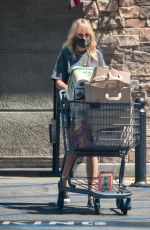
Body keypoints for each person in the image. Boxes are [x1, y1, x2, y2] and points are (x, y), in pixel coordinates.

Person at [51, 18, 106, 207]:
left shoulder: (96, 55)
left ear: (91, 35)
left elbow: (103, 77)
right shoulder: (66, 53)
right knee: (74, 149)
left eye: (87, 35)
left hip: (93, 110)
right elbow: (58, 79)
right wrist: (70, 90)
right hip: (73, 109)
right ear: (74, 36)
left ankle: (92, 191)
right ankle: (64, 183)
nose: (84, 38)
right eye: (80, 35)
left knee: (93, 152)